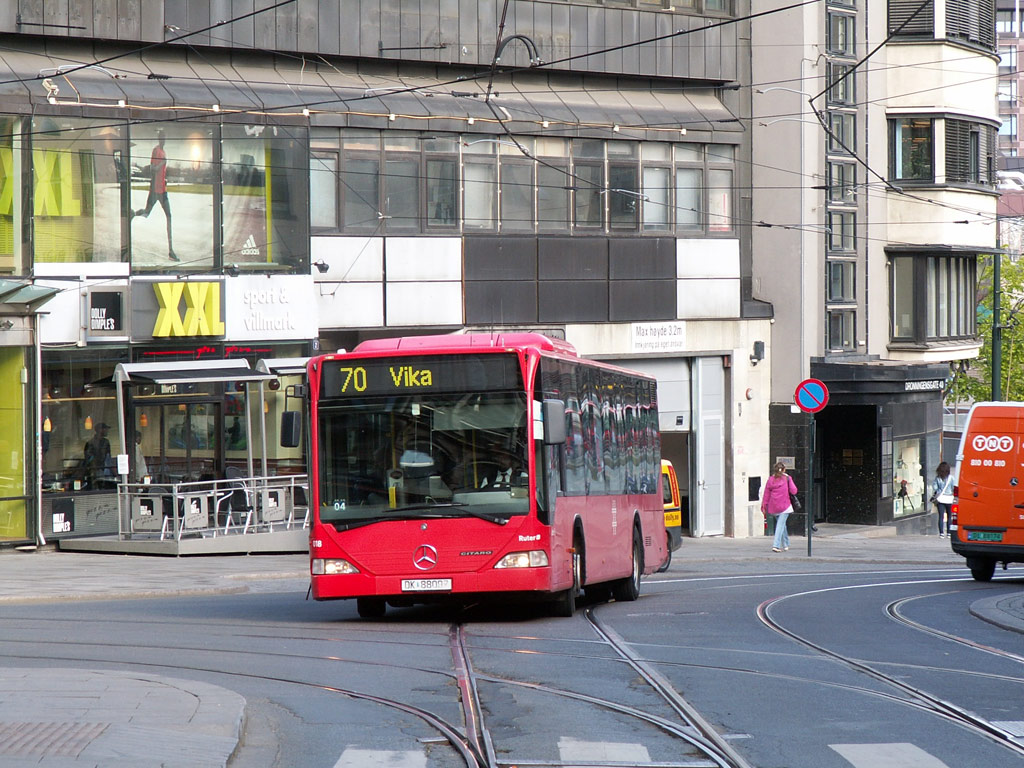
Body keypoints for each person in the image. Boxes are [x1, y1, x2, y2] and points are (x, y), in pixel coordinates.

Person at [134, 130, 178, 261]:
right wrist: (162, 163)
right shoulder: (156, 151)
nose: (163, 140)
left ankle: (171, 251)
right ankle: (132, 214)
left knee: (169, 216)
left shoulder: (163, 152)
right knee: (146, 213)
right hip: (154, 190)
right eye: (161, 138)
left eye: (164, 138)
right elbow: (152, 169)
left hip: (162, 190)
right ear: (159, 139)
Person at [761, 461, 798, 552]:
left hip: (774, 507)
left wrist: (764, 505)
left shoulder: (770, 480)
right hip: (785, 506)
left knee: (782, 525)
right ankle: (776, 545)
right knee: (780, 526)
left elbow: (766, 494)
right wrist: (789, 478)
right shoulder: (787, 478)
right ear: (784, 470)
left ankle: (786, 544)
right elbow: (794, 491)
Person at [83, 422, 112, 488]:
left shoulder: (106, 442)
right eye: (105, 429)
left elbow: (108, 458)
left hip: (104, 470)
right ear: (100, 430)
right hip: (94, 471)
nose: (107, 431)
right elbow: (88, 458)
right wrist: (94, 468)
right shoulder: (90, 443)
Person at [931, 461, 955, 538]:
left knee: (941, 516)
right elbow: (953, 488)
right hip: (949, 499)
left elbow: (935, 488)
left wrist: (939, 491)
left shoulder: (937, 478)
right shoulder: (951, 478)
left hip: (941, 499)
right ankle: (949, 533)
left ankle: (941, 533)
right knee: (949, 516)